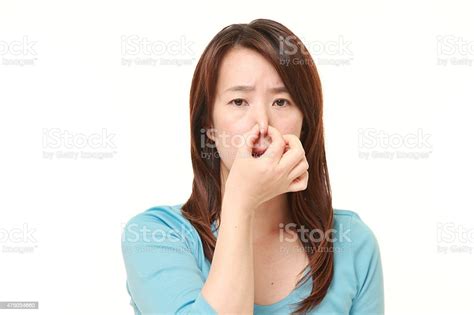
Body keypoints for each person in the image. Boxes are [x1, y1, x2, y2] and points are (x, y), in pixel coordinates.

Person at [121, 18, 384, 314]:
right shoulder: (156, 237)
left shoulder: (351, 243)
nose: (262, 123)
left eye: (281, 102)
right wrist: (240, 203)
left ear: (305, 123)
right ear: (208, 124)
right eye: (238, 101)